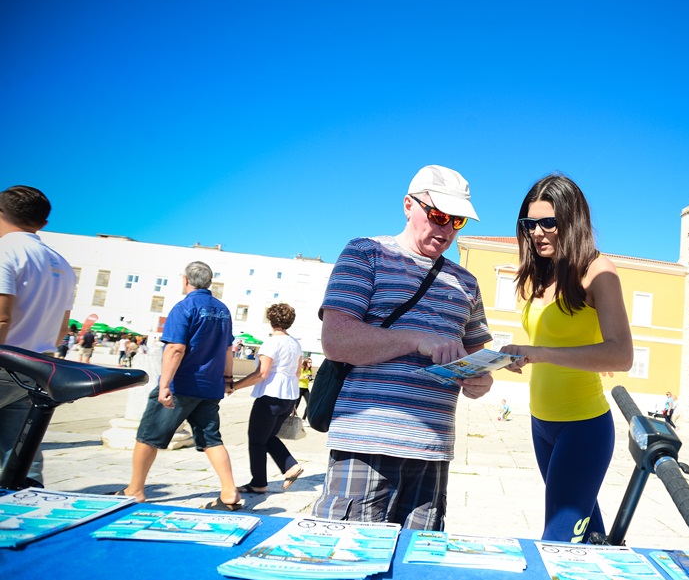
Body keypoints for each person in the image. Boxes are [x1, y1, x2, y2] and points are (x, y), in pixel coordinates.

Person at [312, 165, 493, 530]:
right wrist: (416, 339)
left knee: (416, 571)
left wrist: (480, 380)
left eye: (457, 222)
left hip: (433, 449)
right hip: (366, 445)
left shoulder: (467, 283)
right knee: (346, 559)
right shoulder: (366, 253)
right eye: (439, 215)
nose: (446, 230)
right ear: (408, 205)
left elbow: (476, 360)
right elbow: (336, 340)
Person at [501, 174, 634, 543]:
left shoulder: (598, 272)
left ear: (572, 221)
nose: (537, 232)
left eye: (548, 223)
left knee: (558, 542)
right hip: (540, 423)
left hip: (583, 427)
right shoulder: (539, 276)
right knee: (587, 536)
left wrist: (538, 354)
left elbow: (622, 354)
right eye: (530, 224)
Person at [115, 261, 243, 510]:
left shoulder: (185, 307)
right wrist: (227, 380)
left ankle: (135, 489)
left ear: (185, 280)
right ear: (209, 282)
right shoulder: (223, 310)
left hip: (182, 384)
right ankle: (229, 493)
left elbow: (175, 348)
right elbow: (228, 349)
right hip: (209, 387)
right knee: (211, 439)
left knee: (148, 435)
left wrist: (164, 385)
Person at [0, 185, 76, 486]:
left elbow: (2, 316)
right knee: (20, 451)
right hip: (38, 366)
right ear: (43, 224)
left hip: (4, 359)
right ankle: (27, 509)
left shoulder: (6, 251)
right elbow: (61, 329)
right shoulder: (62, 265)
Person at [230, 303, 305, 495]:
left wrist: (234, 386)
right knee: (267, 437)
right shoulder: (295, 344)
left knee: (256, 440)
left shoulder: (272, 342)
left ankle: (259, 482)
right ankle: (290, 466)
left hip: (270, 395)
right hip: (288, 397)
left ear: (270, 320)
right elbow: (297, 372)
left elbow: (261, 373)